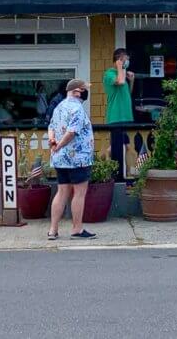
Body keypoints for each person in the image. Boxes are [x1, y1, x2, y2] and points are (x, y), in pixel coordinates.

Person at [47, 79, 96, 240]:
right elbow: (71, 132)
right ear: (76, 91)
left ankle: (53, 229)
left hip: (60, 160)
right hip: (78, 158)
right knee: (79, 193)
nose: (85, 92)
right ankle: (77, 228)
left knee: (62, 192)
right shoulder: (78, 109)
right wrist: (60, 145)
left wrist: (53, 142)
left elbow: (51, 128)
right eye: (83, 89)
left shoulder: (58, 107)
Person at [103, 48, 135, 124]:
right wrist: (120, 67)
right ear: (119, 59)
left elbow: (127, 94)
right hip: (116, 117)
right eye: (126, 59)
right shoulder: (109, 74)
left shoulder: (122, 75)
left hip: (127, 117)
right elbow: (120, 82)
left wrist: (131, 81)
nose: (127, 62)